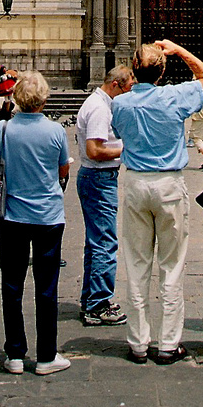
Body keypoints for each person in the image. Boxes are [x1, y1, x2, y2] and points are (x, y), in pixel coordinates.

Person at [111, 39, 203, 364]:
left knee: (137, 265)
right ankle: (169, 344)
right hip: (169, 185)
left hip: (136, 184)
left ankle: (138, 343)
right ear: (162, 71)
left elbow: (118, 130)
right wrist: (179, 50)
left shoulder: (121, 104)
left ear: (133, 70)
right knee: (171, 267)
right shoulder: (174, 97)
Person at [0, 71, 71, 376]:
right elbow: (63, 170)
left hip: (12, 216)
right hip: (48, 217)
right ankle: (47, 356)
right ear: (44, 98)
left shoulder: (3, 130)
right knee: (47, 289)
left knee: (12, 286)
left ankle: (14, 355)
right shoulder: (55, 131)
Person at [76, 64, 134, 326]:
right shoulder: (99, 108)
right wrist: (126, 149)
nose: (129, 92)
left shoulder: (98, 103)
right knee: (104, 242)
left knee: (96, 240)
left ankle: (90, 297)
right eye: (128, 87)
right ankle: (99, 304)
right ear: (115, 85)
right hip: (99, 178)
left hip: (95, 178)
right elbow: (95, 150)